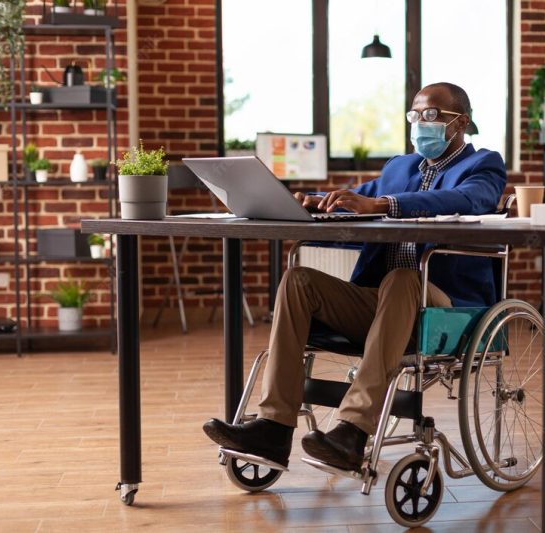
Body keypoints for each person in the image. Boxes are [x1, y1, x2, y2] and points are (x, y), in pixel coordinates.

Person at [203, 82, 507, 471]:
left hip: (442, 309)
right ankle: (272, 428)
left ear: (460, 122)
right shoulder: (400, 168)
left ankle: (352, 431)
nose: (419, 123)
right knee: (299, 281)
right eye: (414, 116)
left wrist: (384, 204)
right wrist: (320, 204)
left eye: (430, 115)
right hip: (383, 306)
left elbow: (468, 200)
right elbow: (357, 199)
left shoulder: (482, 164)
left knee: (401, 278)